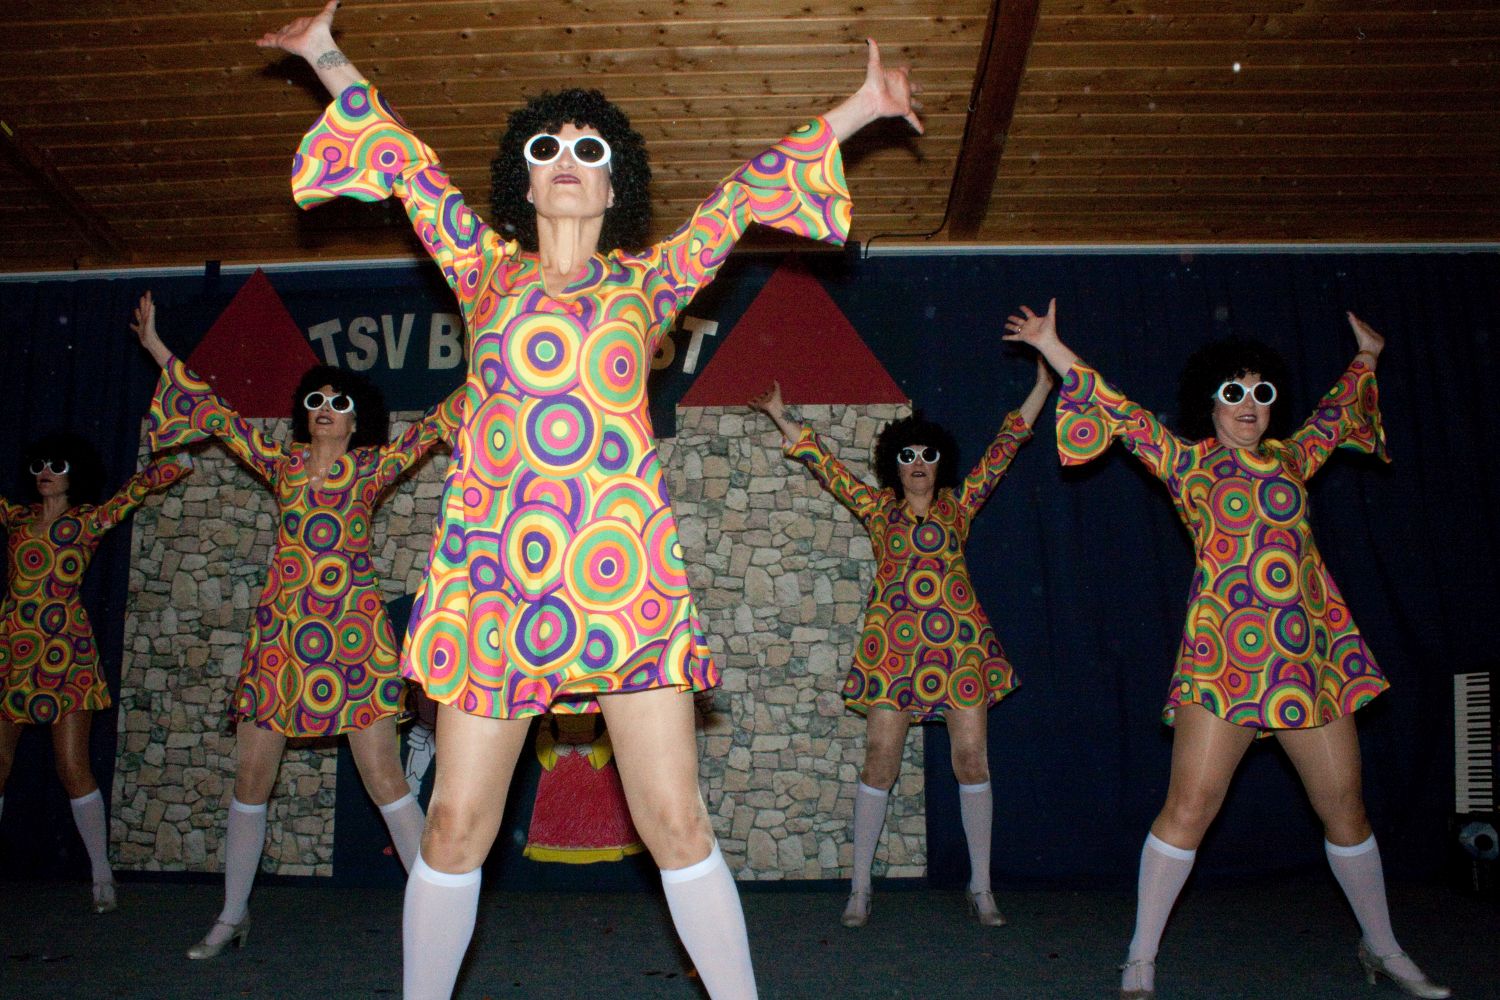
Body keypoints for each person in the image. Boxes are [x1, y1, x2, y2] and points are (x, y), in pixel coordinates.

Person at [256, 3, 921, 996]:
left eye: (588, 149)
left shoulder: (650, 283)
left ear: (615, 185)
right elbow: (404, 163)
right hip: (496, 580)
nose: (566, 159)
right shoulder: (482, 269)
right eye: (547, 147)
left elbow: (743, 195)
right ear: (524, 183)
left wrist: (860, 109)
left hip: (620, 580)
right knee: (454, 825)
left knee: (677, 821)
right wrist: (323, 54)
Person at [1004, 299, 1448, 999]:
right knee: (1189, 807)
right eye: (1233, 392)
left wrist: (1367, 356)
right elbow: (1118, 412)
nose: (1249, 405)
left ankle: (1382, 945)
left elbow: (1336, 415)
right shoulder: (1188, 464)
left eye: (1261, 393)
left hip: (1306, 660)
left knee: (1347, 810)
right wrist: (1053, 346)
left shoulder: (1293, 458)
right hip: (1226, 663)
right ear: (1209, 403)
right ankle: (1141, 958)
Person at [131, 291, 463, 959]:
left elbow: (435, 424)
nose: (324, 409)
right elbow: (218, 414)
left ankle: (436, 915)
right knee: (250, 779)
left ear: (357, 420)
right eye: (315, 400)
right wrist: (159, 349)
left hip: (353, 640)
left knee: (386, 780)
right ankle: (232, 915)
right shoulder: (280, 465)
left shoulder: (369, 467)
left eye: (338, 402)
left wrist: (506, 360)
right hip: (281, 639)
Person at [749, 361, 1051, 928]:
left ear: (940, 463)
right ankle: (860, 888)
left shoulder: (960, 504)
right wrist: (779, 415)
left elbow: (1006, 446)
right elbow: (825, 464)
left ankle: (981, 888)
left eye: (927, 455)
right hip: (893, 651)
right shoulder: (876, 508)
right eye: (907, 455)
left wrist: (1042, 386)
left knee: (971, 760)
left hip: (959, 649)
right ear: (894, 463)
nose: (917, 463)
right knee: (880, 761)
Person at [0, 431, 189, 913]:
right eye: (39, 465)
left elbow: (133, 492)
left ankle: (101, 874)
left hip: (65, 653)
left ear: (75, 473)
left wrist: (173, 463)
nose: (46, 472)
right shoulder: (16, 518)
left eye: (57, 465)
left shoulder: (86, 521)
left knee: (72, 766)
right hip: (12, 652)